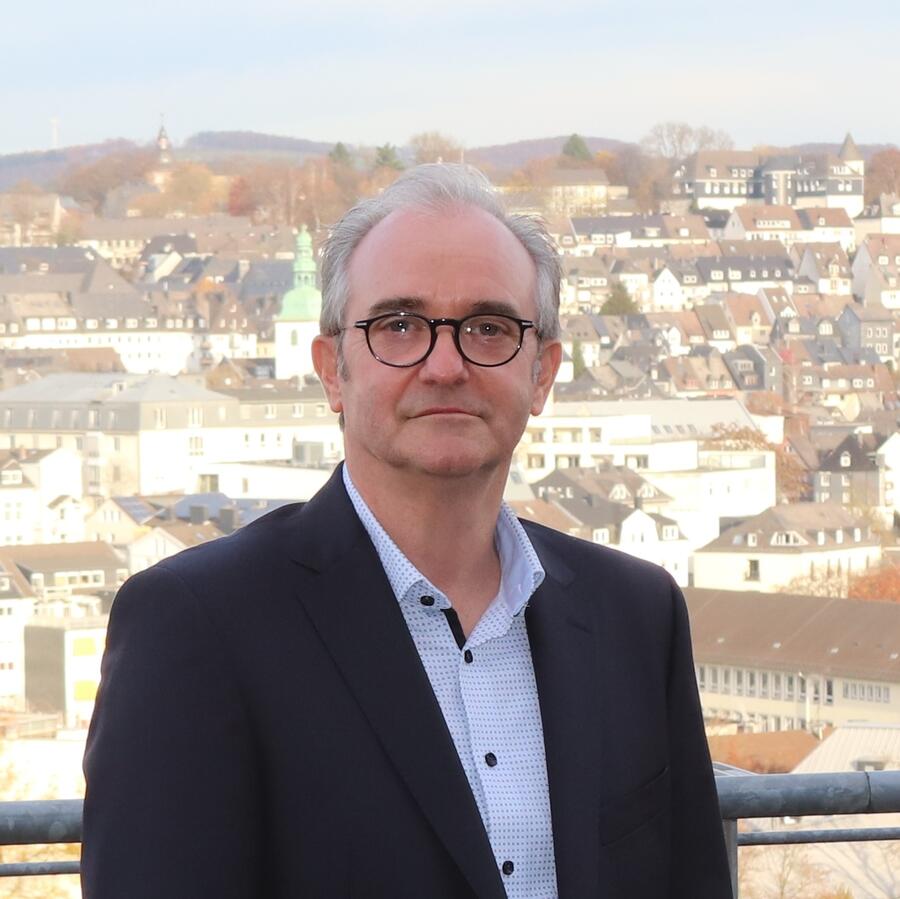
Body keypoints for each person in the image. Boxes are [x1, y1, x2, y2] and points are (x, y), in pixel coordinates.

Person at [82, 164, 732, 898]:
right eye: (399, 326)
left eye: (488, 328)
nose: (445, 365)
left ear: (543, 374)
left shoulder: (636, 614)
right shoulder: (198, 625)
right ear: (333, 370)